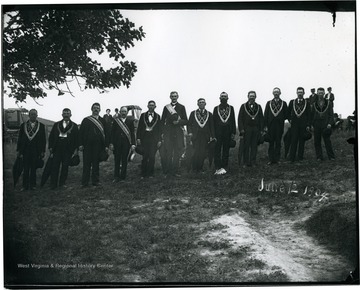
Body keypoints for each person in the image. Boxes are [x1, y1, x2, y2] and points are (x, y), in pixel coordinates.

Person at [79, 103, 109, 187]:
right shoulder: (86, 120)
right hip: (87, 145)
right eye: (94, 108)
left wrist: (106, 145)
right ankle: (84, 182)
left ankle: (95, 181)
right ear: (91, 109)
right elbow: (81, 133)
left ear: (100, 110)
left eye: (97, 108)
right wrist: (80, 144)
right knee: (86, 164)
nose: (96, 109)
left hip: (98, 146)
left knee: (96, 164)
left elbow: (107, 133)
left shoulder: (103, 121)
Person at [48, 108, 79, 189]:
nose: (66, 115)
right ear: (62, 115)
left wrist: (76, 150)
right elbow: (51, 137)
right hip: (57, 149)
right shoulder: (56, 125)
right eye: (64, 113)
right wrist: (50, 147)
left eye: (67, 113)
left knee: (65, 167)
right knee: (55, 166)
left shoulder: (74, 126)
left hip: (68, 150)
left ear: (70, 115)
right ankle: (53, 184)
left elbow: (77, 139)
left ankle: (62, 183)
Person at [16, 109, 46, 191]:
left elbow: (43, 139)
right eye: (31, 114)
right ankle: (25, 185)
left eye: (35, 114)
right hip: (25, 150)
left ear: (37, 115)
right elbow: (20, 138)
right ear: (29, 115)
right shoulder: (23, 125)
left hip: (36, 150)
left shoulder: (41, 126)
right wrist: (19, 150)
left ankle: (33, 185)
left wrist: (42, 151)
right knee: (25, 168)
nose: (33, 116)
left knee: (33, 168)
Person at [161, 91, 188, 177]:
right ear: (170, 97)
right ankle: (168, 171)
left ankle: (176, 171)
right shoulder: (166, 107)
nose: (174, 97)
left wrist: (179, 122)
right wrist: (162, 132)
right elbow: (162, 121)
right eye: (172, 96)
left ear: (178, 97)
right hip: (168, 132)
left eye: (175, 96)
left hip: (178, 132)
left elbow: (186, 120)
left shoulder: (182, 107)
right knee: (168, 152)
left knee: (177, 152)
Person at [188, 98, 215, 173]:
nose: (201, 103)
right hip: (195, 136)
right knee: (195, 152)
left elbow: (211, 126)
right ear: (197, 104)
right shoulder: (193, 113)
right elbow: (189, 124)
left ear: (205, 104)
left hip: (205, 136)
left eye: (203, 102)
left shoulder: (209, 114)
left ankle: (200, 168)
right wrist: (190, 132)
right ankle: (194, 168)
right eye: (200, 102)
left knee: (202, 152)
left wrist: (212, 136)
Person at [136, 101, 162, 178]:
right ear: (147, 106)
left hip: (154, 140)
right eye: (150, 105)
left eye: (153, 105)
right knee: (145, 156)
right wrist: (138, 138)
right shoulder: (143, 115)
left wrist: (159, 140)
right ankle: (143, 173)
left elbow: (159, 129)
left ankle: (150, 173)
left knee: (152, 156)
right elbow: (139, 128)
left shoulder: (157, 116)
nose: (151, 107)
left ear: (155, 107)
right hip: (144, 139)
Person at [110, 106, 136, 182]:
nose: (123, 113)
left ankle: (123, 177)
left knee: (124, 160)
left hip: (126, 143)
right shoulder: (116, 121)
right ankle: (116, 176)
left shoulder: (130, 121)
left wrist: (133, 144)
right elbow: (112, 133)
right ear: (120, 112)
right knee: (117, 160)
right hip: (117, 143)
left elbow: (132, 133)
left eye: (125, 111)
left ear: (127, 113)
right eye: (122, 111)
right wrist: (111, 143)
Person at [238, 91, 264, 167]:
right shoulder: (243, 106)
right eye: (250, 96)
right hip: (247, 129)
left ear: (255, 97)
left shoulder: (258, 107)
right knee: (246, 146)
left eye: (253, 96)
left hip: (256, 129)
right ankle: (246, 162)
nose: (252, 97)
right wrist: (241, 129)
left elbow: (261, 118)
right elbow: (240, 118)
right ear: (248, 96)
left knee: (254, 146)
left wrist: (261, 129)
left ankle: (253, 162)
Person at [212, 92, 236, 175]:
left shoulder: (231, 108)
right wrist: (213, 134)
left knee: (226, 149)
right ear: (219, 98)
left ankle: (224, 166)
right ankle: (217, 166)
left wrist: (233, 132)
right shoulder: (216, 108)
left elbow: (233, 120)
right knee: (217, 150)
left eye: (225, 97)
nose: (223, 98)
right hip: (218, 132)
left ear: (228, 98)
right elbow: (214, 122)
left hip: (228, 132)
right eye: (222, 96)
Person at [264, 88, 288, 165]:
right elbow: (266, 115)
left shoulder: (283, 103)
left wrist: (280, 119)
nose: (276, 93)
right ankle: (271, 159)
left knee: (278, 142)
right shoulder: (269, 103)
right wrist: (265, 126)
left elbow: (285, 114)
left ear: (280, 93)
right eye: (275, 92)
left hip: (279, 125)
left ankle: (277, 159)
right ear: (272, 93)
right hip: (270, 126)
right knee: (271, 142)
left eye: (277, 92)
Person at [287, 87, 312, 163]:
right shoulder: (292, 102)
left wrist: (308, 125)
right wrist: (290, 119)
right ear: (296, 93)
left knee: (302, 141)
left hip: (303, 125)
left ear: (304, 93)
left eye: (301, 92)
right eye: (298, 92)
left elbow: (309, 115)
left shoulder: (307, 103)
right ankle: (292, 158)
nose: (300, 94)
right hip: (294, 125)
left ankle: (300, 157)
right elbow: (288, 112)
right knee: (294, 140)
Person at [311, 87, 335, 161]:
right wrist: (312, 125)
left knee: (327, 141)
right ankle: (319, 157)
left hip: (325, 123)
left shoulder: (328, 103)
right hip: (317, 124)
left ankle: (331, 156)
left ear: (324, 93)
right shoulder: (314, 104)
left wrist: (330, 123)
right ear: (317, 94)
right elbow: (312, 115)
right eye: (319, 93)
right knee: (317, 141)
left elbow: (331, 115)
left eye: (322, 93)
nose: (320, 94)